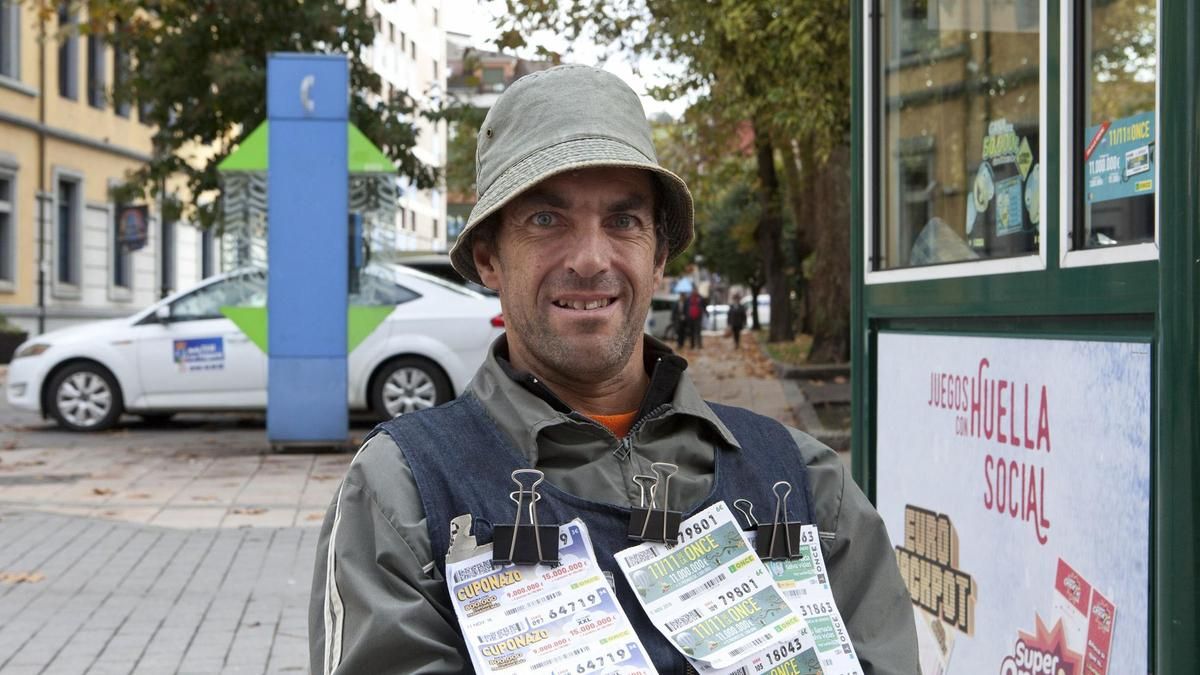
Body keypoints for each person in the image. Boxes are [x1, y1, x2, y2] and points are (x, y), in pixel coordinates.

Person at [309, 64, 917, 674]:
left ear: (657, 258)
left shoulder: (806, 484)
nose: (590, 259)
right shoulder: (404, 491)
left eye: (623, 222)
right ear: (490, 258)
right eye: (546, 220)